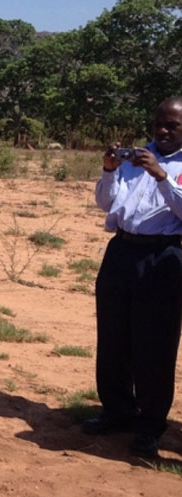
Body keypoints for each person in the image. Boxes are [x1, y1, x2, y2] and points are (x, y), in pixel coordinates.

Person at [83, 96, 182, 459]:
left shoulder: (166, 165)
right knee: (113, 335)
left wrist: (162, 177)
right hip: (122, 251)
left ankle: (151, 424)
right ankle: (116, 410)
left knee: (155, 343)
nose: (162, 130)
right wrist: (109, 170)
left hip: (164, 255)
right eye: (158, 122)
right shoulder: (133, 160)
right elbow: (107, 204)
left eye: (172, 125)